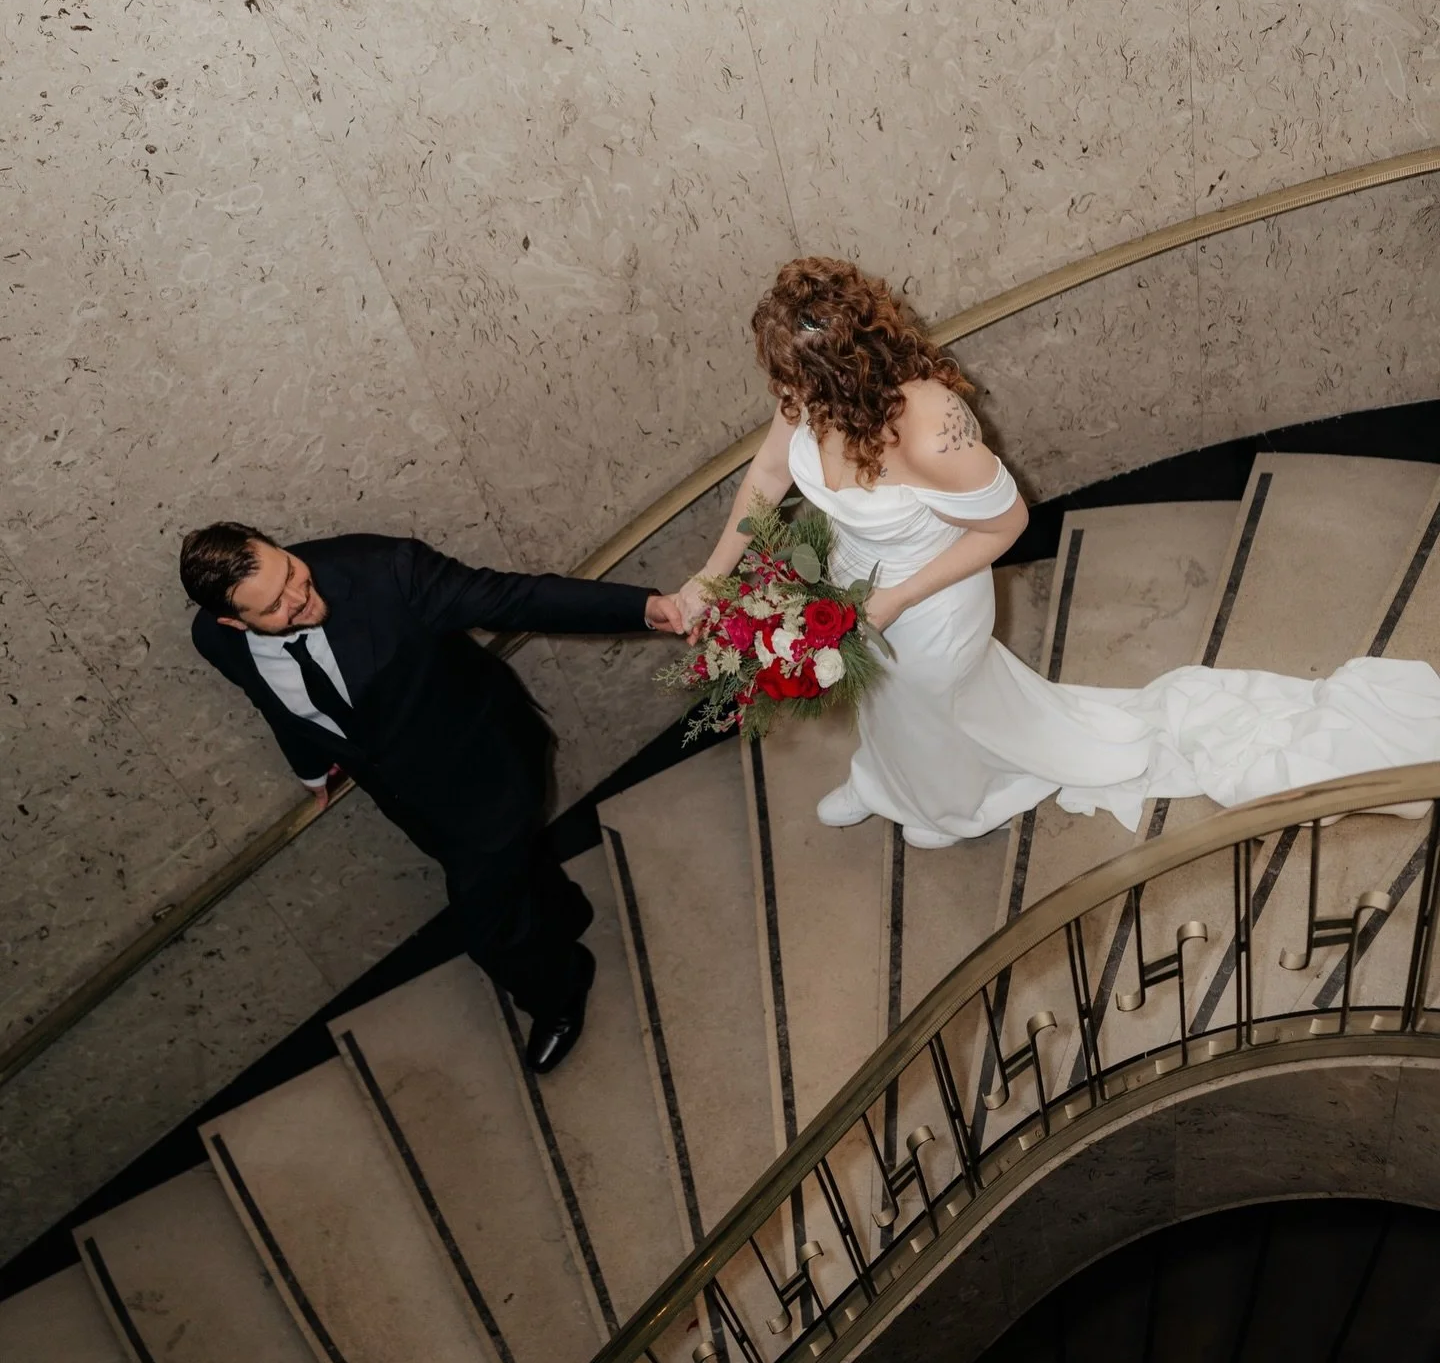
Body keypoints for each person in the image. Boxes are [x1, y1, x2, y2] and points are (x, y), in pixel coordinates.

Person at [678, 256, 1440, 848]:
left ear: (841, 371)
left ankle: (957, 805)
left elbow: (1005, 524)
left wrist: (897, 600)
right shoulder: (802, 396)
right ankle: (889, 784)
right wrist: (713, 578)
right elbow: (771, 474)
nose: (783, 395)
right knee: (888, 708)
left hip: (931, 607)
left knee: (931, 702)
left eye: (794, 378)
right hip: (851, 591)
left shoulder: (931, 425)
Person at [182, 524, 683, 1071]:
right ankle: (563, 913)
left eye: (291, 573)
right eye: (274, 606)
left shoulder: (385, 570)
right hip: (412, 799)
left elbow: (515, 599)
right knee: (513, 870)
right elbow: (273, 703)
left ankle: (560, 993)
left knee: (491, 932)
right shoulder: (215, 640)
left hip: (488, 768)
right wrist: (311, 770)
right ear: (233, 621)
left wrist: (647, 609)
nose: (299, 597)